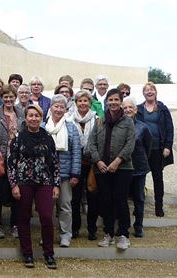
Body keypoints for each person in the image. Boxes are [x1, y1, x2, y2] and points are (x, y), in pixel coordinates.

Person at [8, 104, 60, 269]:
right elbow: (11, 163)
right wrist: (13, 184)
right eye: (30, 115)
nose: (34, 118)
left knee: (46, 216)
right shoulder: (18, 138)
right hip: (23, 182)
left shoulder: (48, 137)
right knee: (23, 218)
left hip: (44, 181)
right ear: (26, 117)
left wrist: (56, 184)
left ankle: (49, 254)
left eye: (37, 116)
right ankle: (28, 253)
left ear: (41, 117)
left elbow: (55, 163)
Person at [89, 88, 135, 251]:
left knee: (120, 200)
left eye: (116, 100)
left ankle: (123, 234)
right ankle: (108, 233)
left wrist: (117, 161)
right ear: (106, 102)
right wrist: (98, 161)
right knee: (106, 201)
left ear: (121, 102)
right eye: (111, 100)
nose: (113, 103)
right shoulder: (99, 121)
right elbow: (91, 144)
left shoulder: (128, 121)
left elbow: (130, 144)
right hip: (102, 169)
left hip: (122, 169)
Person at [44, 94, 81, 248]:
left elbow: (76, 152)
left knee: (65, 206)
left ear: (66, 109)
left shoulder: (71, 127)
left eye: (61, 106)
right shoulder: (42, 127)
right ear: (51, 107)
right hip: (46, 175)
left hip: (65, 175)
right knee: (47, 207)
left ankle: (65, 234)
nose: (58, 109)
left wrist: (75, 173)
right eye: (55, 106)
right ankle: (48, 235)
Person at [0, 86, 24, 239]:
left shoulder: (21, 113)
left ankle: (15, 224)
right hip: (2, 158)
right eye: (6, 97)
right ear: (1, 97)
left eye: (11, 97)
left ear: (15, 97)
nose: (8, 100)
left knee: (17, 193)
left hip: (18, 159)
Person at [136, 82, 174, 217]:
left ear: (156, 92)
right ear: (143, 93)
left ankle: (159, 206)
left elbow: (169, 128)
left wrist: (168, 146)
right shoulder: (139, 109)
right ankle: (138, 206)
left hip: (158, 149)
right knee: (140, 178)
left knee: (158, 178)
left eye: (152, 89)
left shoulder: (163, 108)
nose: (149, 92)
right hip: (142, 149)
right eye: (146, 90)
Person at [70, 90, 100, 240]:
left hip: (92, 164)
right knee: (74, 199)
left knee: (92, 197)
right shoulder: (69, 119)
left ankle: (92, 229)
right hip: (75, 164)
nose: (82, 103)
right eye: (79, 101)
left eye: (85, 101)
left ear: (90, 103)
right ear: (76, 103)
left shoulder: (97, 119)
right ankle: (75, 228)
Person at [123, 96, 152, 237]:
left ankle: (139, 226)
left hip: (139, 168)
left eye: (130, 107)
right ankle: (124, 225)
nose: (128, 110)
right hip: (123, 168)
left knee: (139, 199)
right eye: (125, 108)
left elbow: (148, 148)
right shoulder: (119, 125)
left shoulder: (143, 127)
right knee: (122, 198)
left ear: (135, 110)